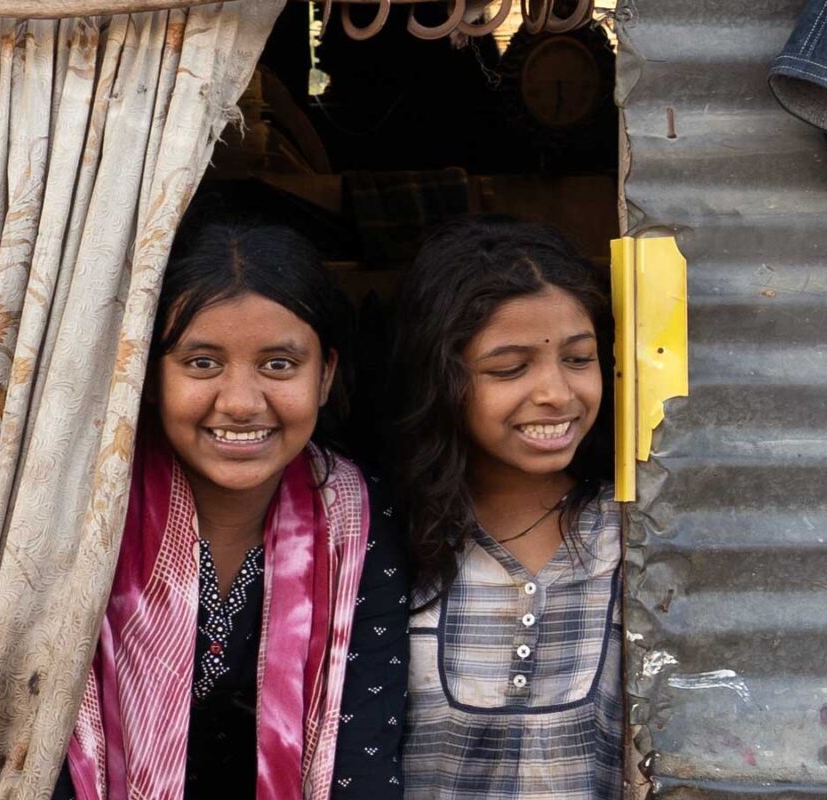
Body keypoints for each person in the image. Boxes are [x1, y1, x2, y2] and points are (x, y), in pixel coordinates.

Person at [59, 220, 412, 800]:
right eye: (202, 363)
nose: (242, 403)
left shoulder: (359, 518)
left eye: (278, 365)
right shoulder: (87, 515)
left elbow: (365, 754)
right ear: (147, 376)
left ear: (325, 375)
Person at [387, 218, 621, 800]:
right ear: (441, 379)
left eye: (579, 358)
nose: (556, 393)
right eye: (509, 368)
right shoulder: (386, 540)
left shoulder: (638, 532)